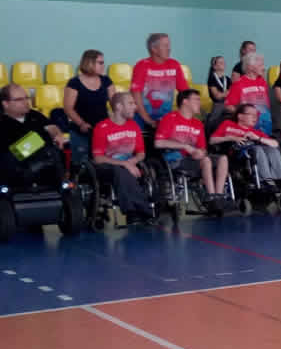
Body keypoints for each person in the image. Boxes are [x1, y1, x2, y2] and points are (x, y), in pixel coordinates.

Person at [155, 90, 228, 210]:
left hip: (194, 160)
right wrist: (185, 147)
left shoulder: (197, 123)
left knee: (223, 158)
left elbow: (203, 148)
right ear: (185, 102)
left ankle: (218, 196)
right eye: (196, 100)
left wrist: (200, 153)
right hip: (176, 160)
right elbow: (158, 143)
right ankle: (211, 197)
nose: (200, 103)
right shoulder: (170, 118)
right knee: (206, 161)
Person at [91, 91, 155, 223]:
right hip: (107, 168)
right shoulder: (102, 127)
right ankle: (139, 210)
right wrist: (125, 164)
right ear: (119, 106)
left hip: (130, 165)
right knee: (120, 171)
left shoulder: (134, 126)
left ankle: (140, 210)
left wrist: (132, 161)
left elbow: (141, 153)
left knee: (149, 170)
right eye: (131, 103)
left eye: (135, 103)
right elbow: (98, 158)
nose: (135, 107)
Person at [0, 83, 68, 189]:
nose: (26, 102)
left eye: (27, 98)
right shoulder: (2, 121)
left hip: (46, 163)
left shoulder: (34, 114)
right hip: (16, 171)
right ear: (5, 104)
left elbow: (52, 127)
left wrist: (58, 135)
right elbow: (11, 154)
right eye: (19, 99)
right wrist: (39, 139)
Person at [211, 103, 281, 188]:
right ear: (240, 116)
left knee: (272, 150)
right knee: (257, 149)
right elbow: (212, 140)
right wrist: (232, 138)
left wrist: (257, 138)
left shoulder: (256, 132)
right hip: (235, 155)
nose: (255, 117)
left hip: (253, 156)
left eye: (256, 115)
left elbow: (275, 144)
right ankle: (265, 180)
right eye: (252, 114)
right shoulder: (228, 124)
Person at [63, 49, 116, 159]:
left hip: (102, 129)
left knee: (104, 162)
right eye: (100, 63)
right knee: (82, 163)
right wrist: (81, 123)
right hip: (80, 130)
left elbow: (115, 103)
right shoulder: (74, 83)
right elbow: (68, 108)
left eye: (103, 63)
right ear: (89, 63)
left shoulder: (106, 81)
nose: (103, 66)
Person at [130, 32, 188, 128]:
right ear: (154, 49)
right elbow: (136, 96)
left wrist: (183, 116)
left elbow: (185, 94)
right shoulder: (142, 65)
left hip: (165, 117)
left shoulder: (174, 64)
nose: (169, 49)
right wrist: (149, 121)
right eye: (165, 45)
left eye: (169, 45)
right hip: (141, 116)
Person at [225, 53, 273, 136]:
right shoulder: (238, 84)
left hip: (265, 126)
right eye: (260, 65)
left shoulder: (263, 82)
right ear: (250, 67)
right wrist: (245, 116)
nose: (264, 68)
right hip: (248, 131)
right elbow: (228, 106)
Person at [206, 56, 231, 130]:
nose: (223, 63)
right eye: (220, 62)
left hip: (227, 103)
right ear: (214, 66)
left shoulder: (228, 79)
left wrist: (224, 94)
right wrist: (227, 93)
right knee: (219, 109)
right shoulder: (212, 78)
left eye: (223, 62)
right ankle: (209, 130)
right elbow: (217, 96)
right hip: (218, 104)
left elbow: (232, 94)